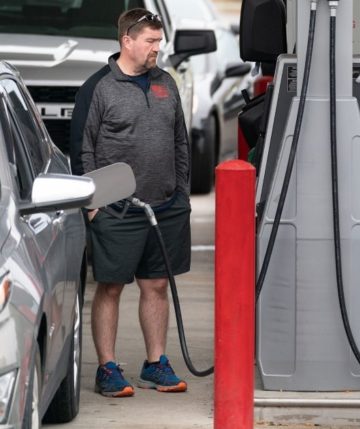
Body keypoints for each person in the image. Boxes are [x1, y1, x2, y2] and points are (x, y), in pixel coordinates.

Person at [71, 8, 191, 397]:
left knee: (155, 284)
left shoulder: (165, 83)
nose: (157, 48)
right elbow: (82, 147)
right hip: (116, 208)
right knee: (110, 287)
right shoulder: (99, 87)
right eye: (151, 41)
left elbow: (180, 142)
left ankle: (155, 363)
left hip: (166, 205)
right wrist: (93, 202)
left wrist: (182, 194)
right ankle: (107, 368)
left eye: (159, 41)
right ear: (127, 41)